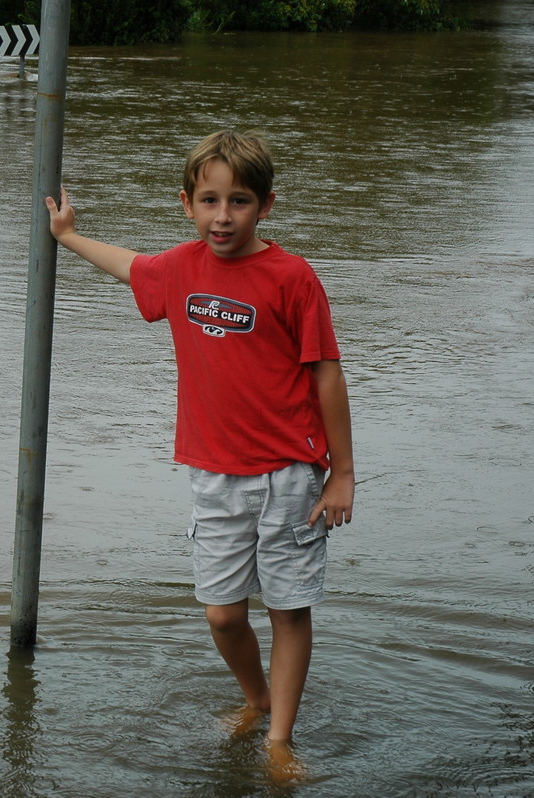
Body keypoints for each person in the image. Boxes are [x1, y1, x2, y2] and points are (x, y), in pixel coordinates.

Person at [45, 130, 354, 781]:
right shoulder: (180, 268)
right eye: (209, 200)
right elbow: (132, 265)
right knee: (221, 612)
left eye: (239, 201)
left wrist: (342, 476)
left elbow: (327, 373)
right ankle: (257, 696)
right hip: (213, 473)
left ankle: (279, 739)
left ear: (266, 206)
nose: (223, 216)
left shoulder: (292, 277)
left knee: (288, 608)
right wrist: (70, 236)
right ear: (186, 203)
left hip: (291, 476)